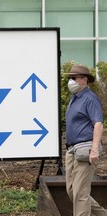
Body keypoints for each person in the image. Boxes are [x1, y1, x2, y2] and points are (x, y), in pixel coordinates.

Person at [65, 65, 107, 216]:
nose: (71, 81)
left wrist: (94, 149)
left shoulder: (90, 98)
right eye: (71, 78)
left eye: (74, 78)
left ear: (84, 80)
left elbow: (98, 124)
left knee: (80, 194)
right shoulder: (74, 98)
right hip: (71, 150)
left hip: (85, 148)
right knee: (72, 191)